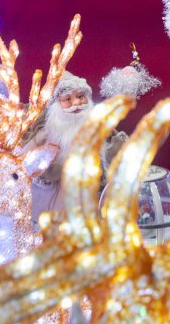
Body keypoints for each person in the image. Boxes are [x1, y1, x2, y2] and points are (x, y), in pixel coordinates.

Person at [26, 72, 126, 222]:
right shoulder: (47, 133)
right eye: (67, 99)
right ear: (56, 105)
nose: (76, 103)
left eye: (80, 96)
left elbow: (116, 153)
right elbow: (27, 163)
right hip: (56, 203)